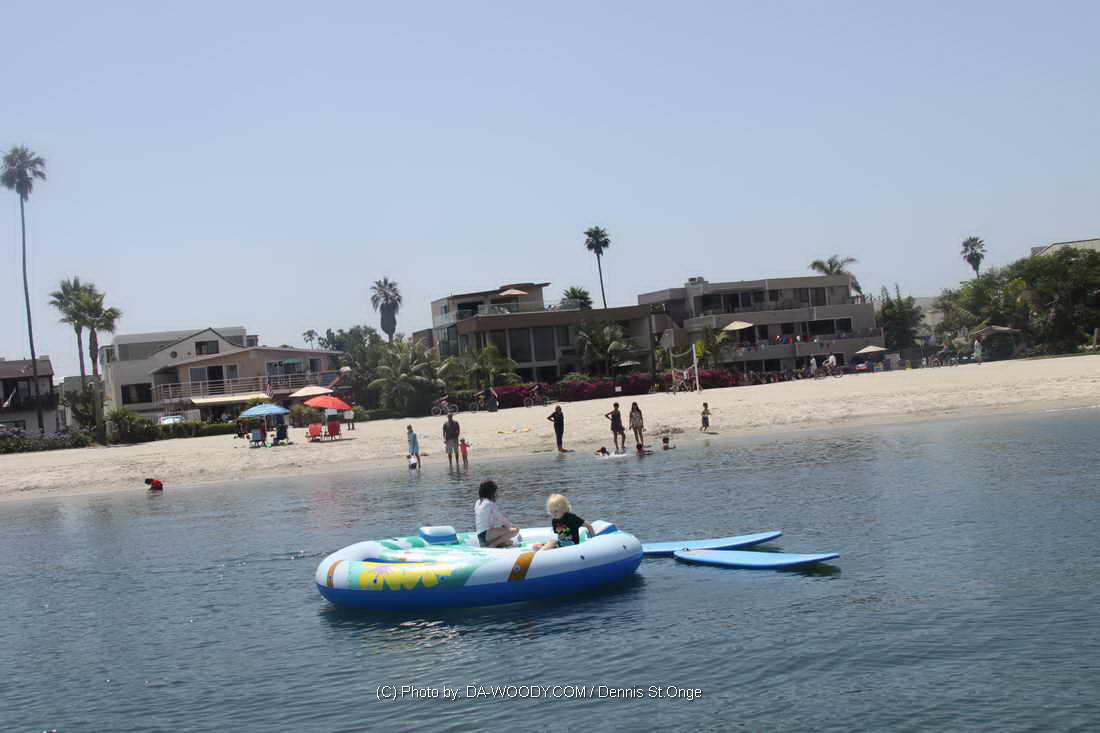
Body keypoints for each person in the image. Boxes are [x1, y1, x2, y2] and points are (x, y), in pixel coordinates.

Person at [474, 480, 519, 547]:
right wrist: (511, 526)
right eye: (495, 491)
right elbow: (501, 519)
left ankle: (489, 544)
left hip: (480, 536)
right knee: (515, 530)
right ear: (491, 492)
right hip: (487, 534)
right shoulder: (490, 504)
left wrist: (504, 527)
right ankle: (492, 545)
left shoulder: (477, 502)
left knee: (509, 542)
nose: (496, 494)